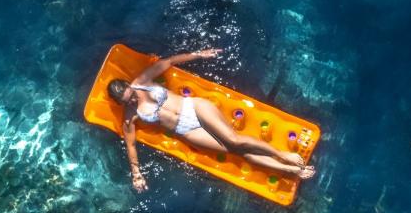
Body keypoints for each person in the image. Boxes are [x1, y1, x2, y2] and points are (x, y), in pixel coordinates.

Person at [107, 48, 316, 192]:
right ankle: (290, 170)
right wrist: (136, 173)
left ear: (129, 85)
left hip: (195, 108)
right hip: (186, 130)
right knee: (238, 152)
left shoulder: (141, 82)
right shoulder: (129, 115)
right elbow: (131, 144)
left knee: (235, 140)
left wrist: (199, 54)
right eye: (128, 101)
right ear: (121, 103)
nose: (133, 100)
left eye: (131, 94)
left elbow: (167, 62)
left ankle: (283, 154)